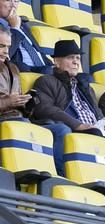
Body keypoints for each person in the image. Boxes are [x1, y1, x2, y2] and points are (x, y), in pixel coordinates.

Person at [31, 40, 105, 171]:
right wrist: (77, 124)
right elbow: (46, 109)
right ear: (56, 61)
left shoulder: (85, 86)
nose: (76, 62)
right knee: (96, 133)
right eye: (70, 57)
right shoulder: (46, 81)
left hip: (98, 132)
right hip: (76, 130)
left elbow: (97, 113)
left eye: (78, 58)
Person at [0, 25, 70, 174]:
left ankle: (56, 176)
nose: (6, 51)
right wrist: (8, 103)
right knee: (23, 124)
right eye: (1, 46)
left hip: (19, 120)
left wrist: (27, 104)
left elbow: (18, 107)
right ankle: (22, 173)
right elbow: (8, 102)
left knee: (61, 129)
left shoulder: (13, 68)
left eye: (8, 46)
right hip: (5, 122)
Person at [0, 0, 52, 74]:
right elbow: (6, 54)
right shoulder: (15, 25)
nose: (13, 5)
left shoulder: (23, 24)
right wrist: (15, 28)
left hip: (41, 70)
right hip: (23, 70)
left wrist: (53, 66)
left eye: (16, 1)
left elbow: (38, 52)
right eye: (8, 0)